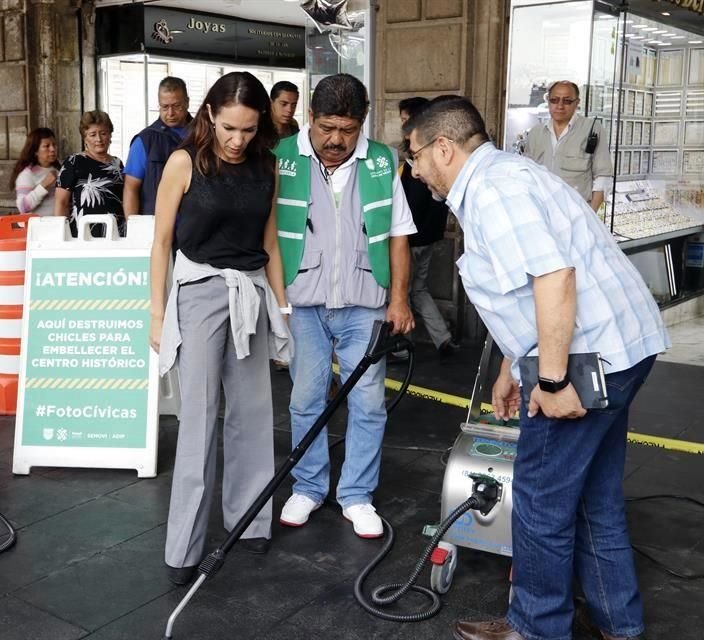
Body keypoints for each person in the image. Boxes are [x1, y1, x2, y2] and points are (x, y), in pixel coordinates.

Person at [403, 97, 669, 640]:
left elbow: (553, 280)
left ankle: (537, 628)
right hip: (620, 348)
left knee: (541, 501)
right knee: (593, 495)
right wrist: (510, 367)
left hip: (587, 359)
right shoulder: (502, 177)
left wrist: (549, 381)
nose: (413, 167)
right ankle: (619, 621)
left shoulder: (494, 193)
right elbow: (523, 291)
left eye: (415, 154)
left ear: (443, 148)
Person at [150, 71, 291, 586]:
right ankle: (184, 544)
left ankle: (250, 524)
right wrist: (157, 313)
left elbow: (270, 241)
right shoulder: (184, 163)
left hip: (250, 292)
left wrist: (282, 307)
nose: (238, 140)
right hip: (200, 293)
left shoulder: (267, 168)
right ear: (210, 114)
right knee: (199, 419)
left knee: (254, 414)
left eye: (249, 130)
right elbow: (161, 242)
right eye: (230, 127)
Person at [275, 73, 416, 539]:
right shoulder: (281, 159)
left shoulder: (381, 162)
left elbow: (398, 236)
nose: (336, 140)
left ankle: (356, 495)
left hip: (365, 301)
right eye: (327, 127)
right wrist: (276, 300)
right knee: (305, 400)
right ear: (309, 118)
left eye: (348, 129)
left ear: (364, 123)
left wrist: (399, 299)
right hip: (305, 302)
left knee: (369, 402)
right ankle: (309, 487)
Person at [398, 97, 458, 358]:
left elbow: (410, 205)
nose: (403, 127)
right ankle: (442, 338)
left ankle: (401, 348)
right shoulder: (437, 155)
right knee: (419, 290)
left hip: (411, 239)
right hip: (430, 237)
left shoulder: (418, 159)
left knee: (403, 292)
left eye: (405, 120)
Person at [523, 81, 612, 212]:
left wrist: (590, 216)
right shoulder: (535, 133)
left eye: (567, 101)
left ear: (577, 102)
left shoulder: (592, 130)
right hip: (542, 213)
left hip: (577, 214)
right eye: (554, 100)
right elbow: (527, 175)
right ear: (548, 101)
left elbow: (603, 177)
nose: (560, 106)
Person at [123, 76, 191, 217]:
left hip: (196, 227)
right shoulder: (145, 140)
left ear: (187, 103)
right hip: (156, 225)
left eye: (176, 106)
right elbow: (131, 188)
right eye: (165, 107)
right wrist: (134, 229)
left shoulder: (204, 136)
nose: (170, 113)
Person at [55, 110, 125, 236]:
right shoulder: (74, 162)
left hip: (115, 233)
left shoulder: (118, 164)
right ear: (85, 138)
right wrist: (62, 235)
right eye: (93, 135)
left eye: (103, 133)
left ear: (110, 136)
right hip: (83, 234)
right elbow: (61, 202)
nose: (99, 139)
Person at [11, 128, 59, 216]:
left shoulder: (59, 170)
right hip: (38, 227)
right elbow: (23, 207)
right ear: (35, 151)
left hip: (59, 225)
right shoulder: (27, 175)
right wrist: (44, 185)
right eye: (46, 146)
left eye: (54, 144)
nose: (52, 149)